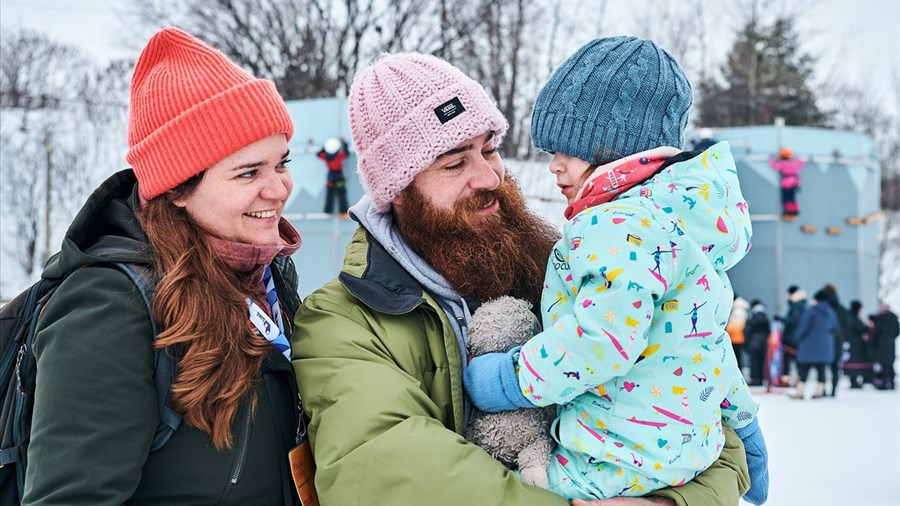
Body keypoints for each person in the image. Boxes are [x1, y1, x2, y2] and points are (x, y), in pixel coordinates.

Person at [292, 51, 752, 506]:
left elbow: (704, 409)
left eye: (490, 149)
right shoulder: (344, 321)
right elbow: (383, 470)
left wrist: (670, 503)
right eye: (455, 163)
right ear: (399, 193)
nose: (489, 176)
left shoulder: (577, 268)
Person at [462, 37, 767, 504]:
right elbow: (706, 342)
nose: (554, 167)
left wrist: (503, 379)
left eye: (567, 149)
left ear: (616, 148)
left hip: (608, 459)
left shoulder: (617, 225)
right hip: (684, 457)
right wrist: (744, 423)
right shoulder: (684, 224)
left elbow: (599, 342)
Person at [23, 28, 303, 504]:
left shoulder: (267, 273)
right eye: (248, 172)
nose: (278, 189)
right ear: (177, 188)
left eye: (281, 163)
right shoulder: (111, 305)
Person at [791, 289, 838, 399]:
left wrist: (797, 337)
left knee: (803, 370)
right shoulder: (831, 313)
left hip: (808, 346)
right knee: (821, 370)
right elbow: (835, 329)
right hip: (825, 347)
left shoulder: (811, 311)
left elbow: (803, 328)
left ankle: (800, 392)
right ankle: (819, 391)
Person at [820, 284, 851, 396]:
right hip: (838, 340)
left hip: (824, 340)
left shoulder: (821, 309)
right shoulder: (841, 309)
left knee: (822, 367)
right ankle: (833, 390)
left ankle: (822, 389)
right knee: (835, 367)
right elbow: (847, 326)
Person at [780, 285, 807, 385]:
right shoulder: (801, 304)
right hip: (795, 337)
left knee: (789, 359)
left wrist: (782, 319)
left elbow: (794, 320)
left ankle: (788, 380)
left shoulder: (797, 305)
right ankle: (795, 379)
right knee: (793, 359)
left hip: (792, 337)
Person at [769, 146, 804, 220]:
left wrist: (771, 158)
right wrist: (796, 157)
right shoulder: (794, 163)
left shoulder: (782, 163)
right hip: (795, 182)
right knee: (792, 197)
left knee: (786, 198)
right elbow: (801, 163)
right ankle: (794, 210)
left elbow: (775, 166)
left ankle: (789, 211)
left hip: (787, 183)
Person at [318, 137, 351, 215]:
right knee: (341, 194)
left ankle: (328, 210)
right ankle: (343, 211)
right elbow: (346, 153)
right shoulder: (339, 156)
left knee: (330, 194)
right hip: (339, 177)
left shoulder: (325, 156)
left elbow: (318, 154)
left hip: (330, 177)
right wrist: (344, 143)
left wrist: (324, 147)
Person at [870, 303, 899, 390]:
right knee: (890, 364)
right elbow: (897, 331)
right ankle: (892, 382)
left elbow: (876, 332)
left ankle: (883, 382)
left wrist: (873, 342)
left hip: (881, 344)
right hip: (891, 344)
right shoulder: (894, 318)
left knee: (882, 364)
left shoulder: (880, 318)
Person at [844, 300, 871, 388]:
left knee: (853, 362)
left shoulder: (849, 316)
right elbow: (860, 328)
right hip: (855, 345)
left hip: (852, 344)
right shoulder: (853, 317)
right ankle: (854, 381)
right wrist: (868, 326)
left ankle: (854, 381)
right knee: (854, 362)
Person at [746, 300, 772, 386]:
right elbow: (768, 330)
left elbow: (748, 329)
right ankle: (761, 379)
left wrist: (747, 339)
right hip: (763, 341)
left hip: (754, 340)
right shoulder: (765, 315)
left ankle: (754, 379)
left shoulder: (753, 315)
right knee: (762, 360)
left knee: (754, 361)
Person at [727, 294, 751, 373]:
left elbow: (737, 325)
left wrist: (728, 330)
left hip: (736, 337)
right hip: (738, 336)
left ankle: (738, 372)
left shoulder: (738, 310)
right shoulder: (741, 309)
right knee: (737, 356)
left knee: (737, 357)